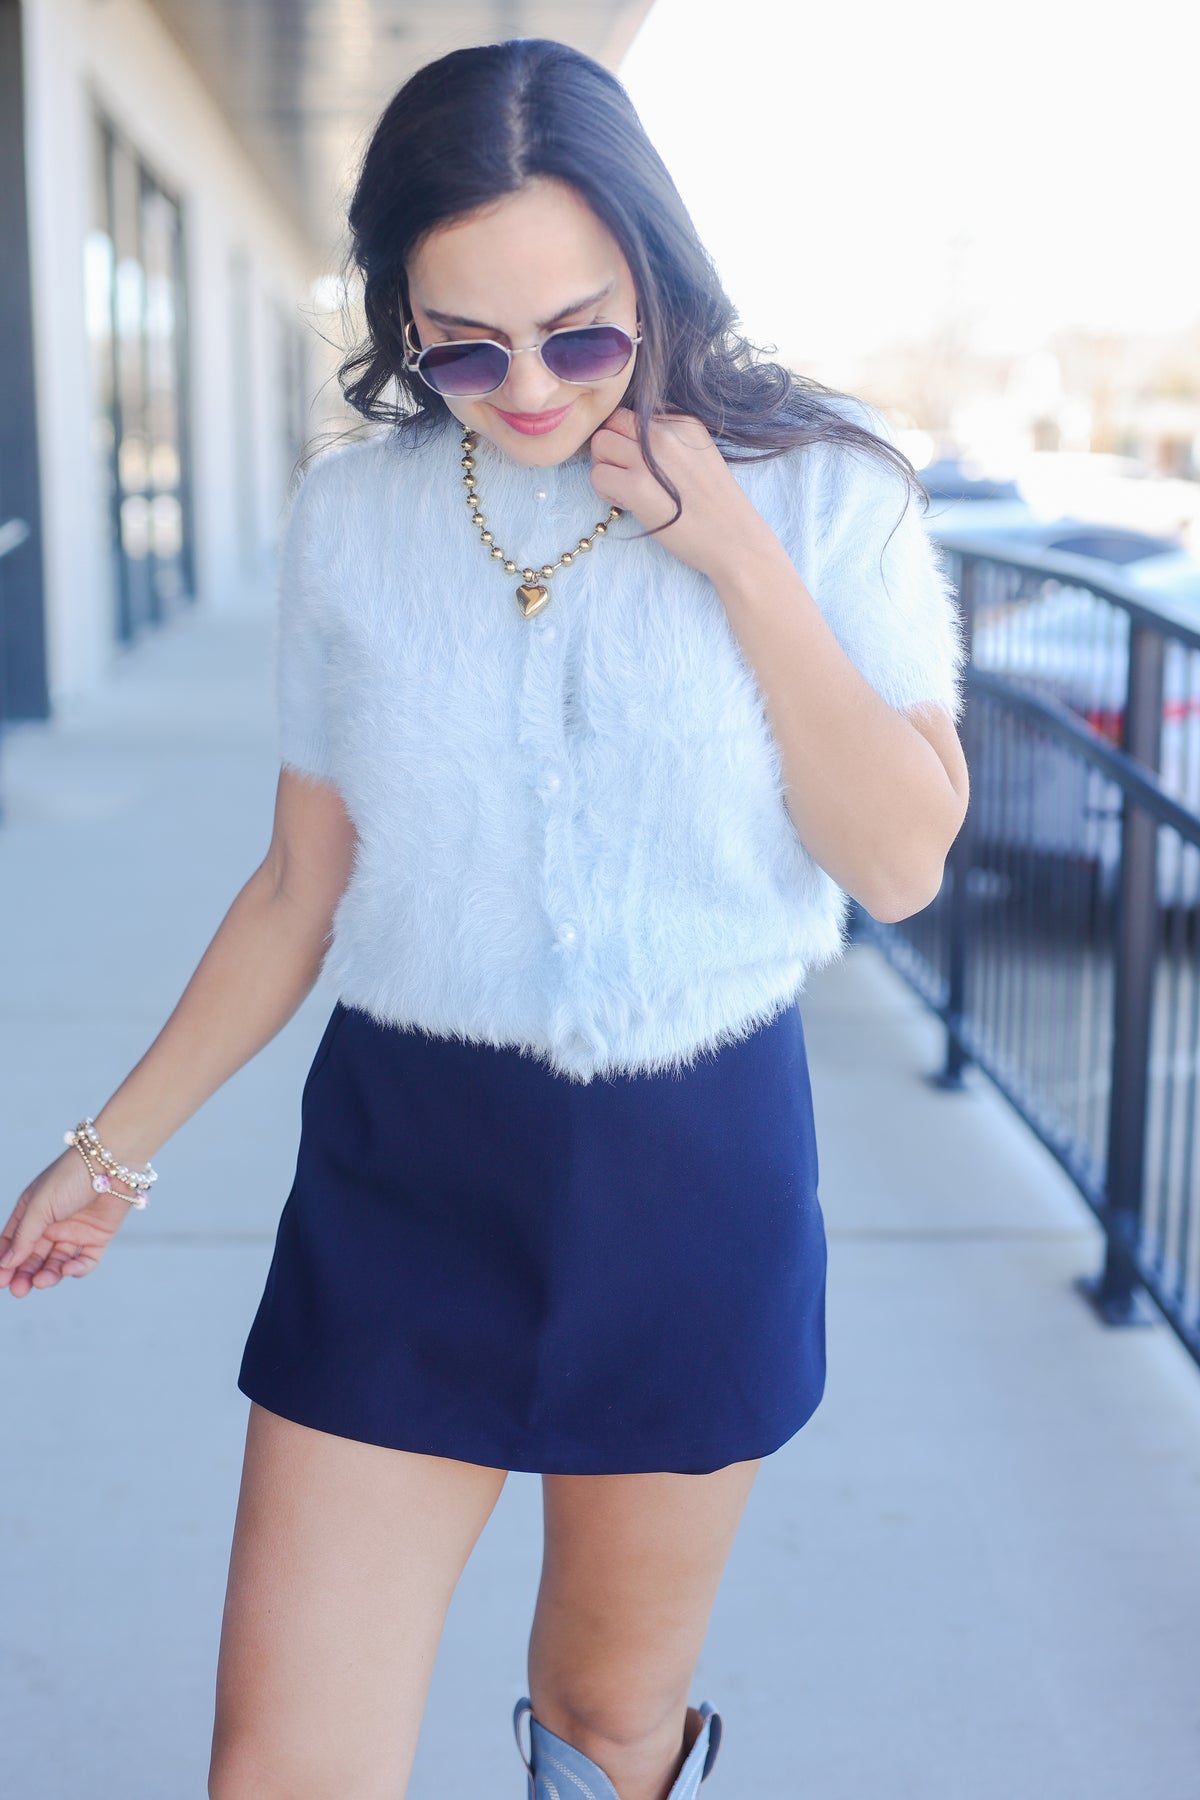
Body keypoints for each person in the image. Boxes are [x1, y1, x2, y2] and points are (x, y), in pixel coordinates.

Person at [0, 35, 970, 1800]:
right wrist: (113, 1148)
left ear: (657, 278)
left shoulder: (831, 495)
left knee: (604, 1725)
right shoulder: (355, 522)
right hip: (408, 1169)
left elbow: (900, 862)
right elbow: (305, 880)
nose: (527, 387)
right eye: (462, 344)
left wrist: (738, 560)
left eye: (581, 332)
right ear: (398, 315)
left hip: (693, 1172)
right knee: (279, 1763)